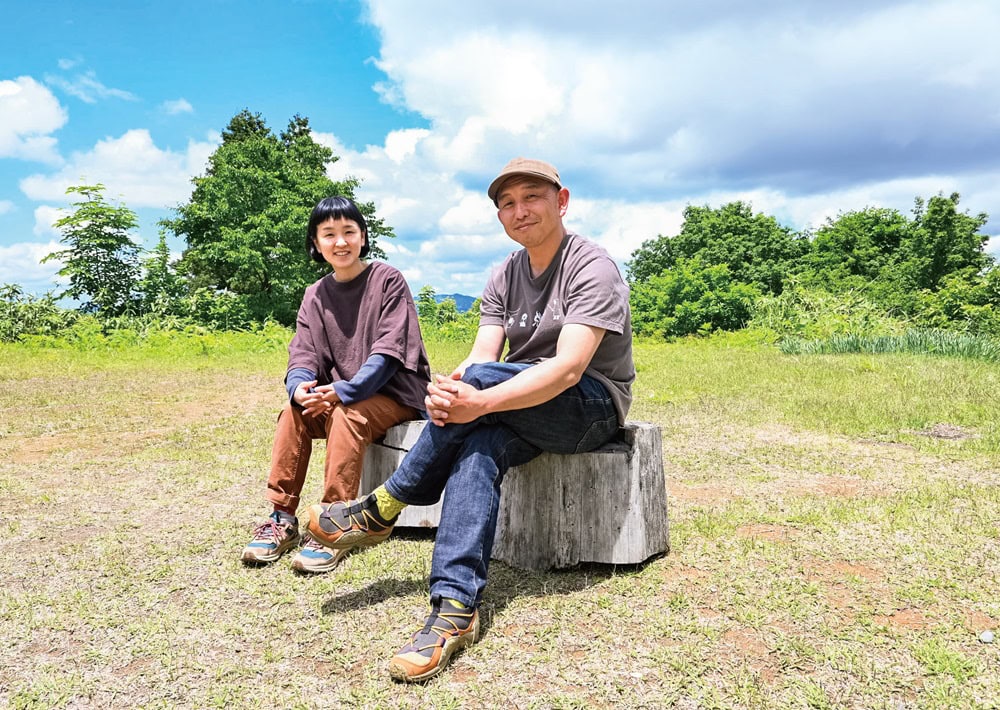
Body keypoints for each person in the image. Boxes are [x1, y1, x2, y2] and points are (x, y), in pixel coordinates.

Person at [305, 158, 635, 681]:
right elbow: (481, 356)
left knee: (479, 392)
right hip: (516, 401)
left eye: (532, 198)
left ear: (562, 200)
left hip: (589, 408)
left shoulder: (590, 264)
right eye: (507, 203)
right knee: (478, 449)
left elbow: (570, 369)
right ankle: (455, 609)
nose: (519, 210)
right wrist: (448, 392)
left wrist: (476, 396)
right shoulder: (505, 273)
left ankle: (382, 507)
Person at [241, 195, 431, 574]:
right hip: (342, 395)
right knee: (293, 412)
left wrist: (346, 390)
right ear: (316, 242)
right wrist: (298, 387)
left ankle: (333, 524)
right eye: (329, 234)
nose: (340, 241)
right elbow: (303, 355)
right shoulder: (315, 295)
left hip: (395, 394)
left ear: (363, 237)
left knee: (347, 413)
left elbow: (389, 353)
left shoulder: (386, 280)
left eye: (349, 231)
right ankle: (282, 518)